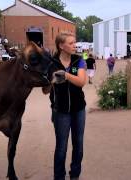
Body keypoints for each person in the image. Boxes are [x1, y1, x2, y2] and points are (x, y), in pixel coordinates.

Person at [49, 32, 87, 180]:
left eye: (74, 43)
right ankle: (59, 177)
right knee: (61, 147)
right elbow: (46, 87)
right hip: (61, 110)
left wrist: (66, 75)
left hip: (79, 110)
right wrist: (50, 81)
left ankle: (75, 175)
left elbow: (81, 81)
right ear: (61, 46)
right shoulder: (51, 62)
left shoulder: (79, 60)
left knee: (78, 145)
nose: (74, 46)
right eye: (71, 43)